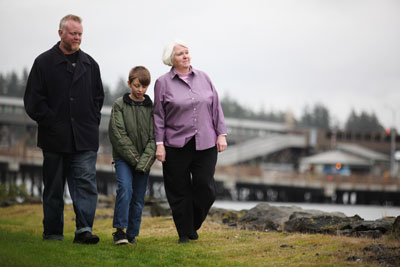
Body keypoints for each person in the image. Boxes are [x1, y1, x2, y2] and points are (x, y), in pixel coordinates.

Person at [24, 14, 104, 244]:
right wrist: (52, 122)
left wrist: (90, 121)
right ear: (61, 33)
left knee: (86, 185)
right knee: (53, 188)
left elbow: (98, 98)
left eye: (80, 34)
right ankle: (52, 232)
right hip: (54, 138)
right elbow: (33, 100)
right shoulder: (43, 63)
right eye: (73, 33)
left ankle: (84, 231)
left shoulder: (91, 65)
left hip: (84, 138)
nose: (77, 37)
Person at [153, 40, 228, 243]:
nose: (185, 56)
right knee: (179, 190)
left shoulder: (204, 78)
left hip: (206, 142)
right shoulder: (163, 83)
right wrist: (159, 145)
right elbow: (158, 115)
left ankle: (192, 223)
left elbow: (216, 107)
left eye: (187, 52)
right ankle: (184, 234)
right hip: (176, 144)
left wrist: (221, 134)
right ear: (171, 59)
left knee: (206, 188)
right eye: (180, 54)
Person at [109, 66, 156, 245]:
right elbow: (118, 134)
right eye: (136, 85)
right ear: (129, 83)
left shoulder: (152, 108)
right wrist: (137, 160)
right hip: (123, 159)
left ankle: (132, 234)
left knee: (138, 197)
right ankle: (119, 232)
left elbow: (155, 137)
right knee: (125, 189)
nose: (140, 90)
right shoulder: (119, 105)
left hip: (144, 161)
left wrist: (143, 162)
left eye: (144, 87)